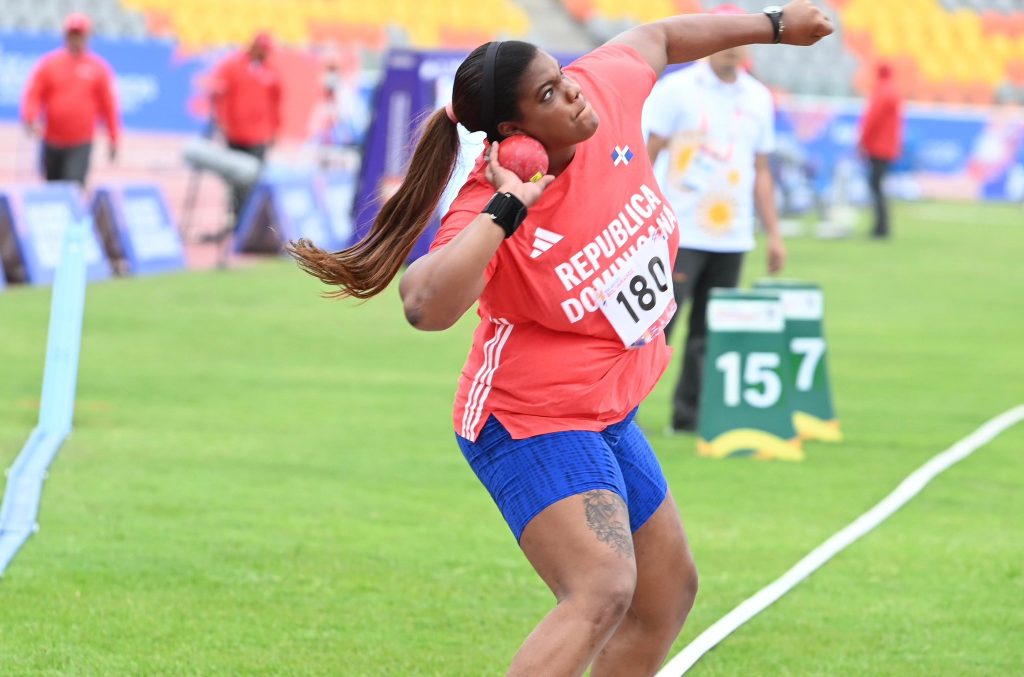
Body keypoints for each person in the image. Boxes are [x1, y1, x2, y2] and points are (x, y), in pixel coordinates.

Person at [289, 2, 832, 674]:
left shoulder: (602, 88)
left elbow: (661, 35)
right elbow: (424, 303)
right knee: (602, 586)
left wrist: (774, 26)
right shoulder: (495, 201)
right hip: (529, 419)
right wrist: (509, 205)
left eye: (561, 75)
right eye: (549, 93)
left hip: (606, 409)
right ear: (515, 133)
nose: (571, 90)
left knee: (667, 592)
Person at [644, 3, 786, 434]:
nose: (732, 48)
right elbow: (648, 157)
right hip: (678, 231)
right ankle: (616, 418)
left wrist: (774, 233)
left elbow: (761, 171)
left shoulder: (759, 97)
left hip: (732, 236)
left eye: (741, 39)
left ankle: (687, 421)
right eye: (725, 38)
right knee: (655, 331)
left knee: (709, 335)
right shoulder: (677, 89)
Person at [21, 12, 120, 186]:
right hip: (51, 140)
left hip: (80, 142)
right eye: (72, 34)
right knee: (51, 190)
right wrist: (30, 118)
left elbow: (109, 107)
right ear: (66, 36)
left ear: (87, 37)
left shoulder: (98, 69)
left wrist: (113, 138)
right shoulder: (49, 64)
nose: (75, 39)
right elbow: (33, 94)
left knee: (73, 189)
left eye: (79, 34)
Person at [210, 31, 282, 229]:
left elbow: (276, 103)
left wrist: (274, 129)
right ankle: (236, 219)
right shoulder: (232, 66)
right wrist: (222, 122)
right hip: (235, 134)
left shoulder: (271, 72)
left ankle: (249, 223)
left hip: (259, 136)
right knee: (235, 180)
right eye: (264, 50)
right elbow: (220, 95)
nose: (266, 54)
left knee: (254, 180)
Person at [858, 61, 902, 239]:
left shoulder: (881, 92)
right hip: (888, 147)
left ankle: (881, 228)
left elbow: (871, 120)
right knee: (878, 186)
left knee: (875, 186)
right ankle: (881, 226)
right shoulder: (893, 91)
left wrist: (863, 142)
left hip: (877, 147)